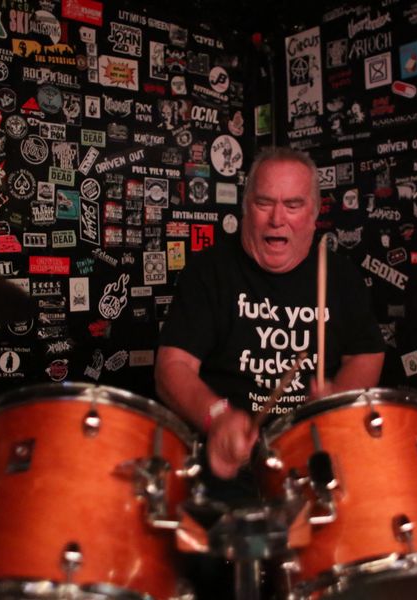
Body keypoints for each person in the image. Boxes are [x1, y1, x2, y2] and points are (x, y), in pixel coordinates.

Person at [155, 147, 385, 483]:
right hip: (230, 461)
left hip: (313, 458)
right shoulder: (209, 271)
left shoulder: (340, 276)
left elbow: (366, 354)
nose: (277, 219)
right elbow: (172, 367)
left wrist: (336, 399)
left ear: (314, 213)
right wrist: (217, 417)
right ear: (246, 206)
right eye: (264, 203)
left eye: (293, 205)